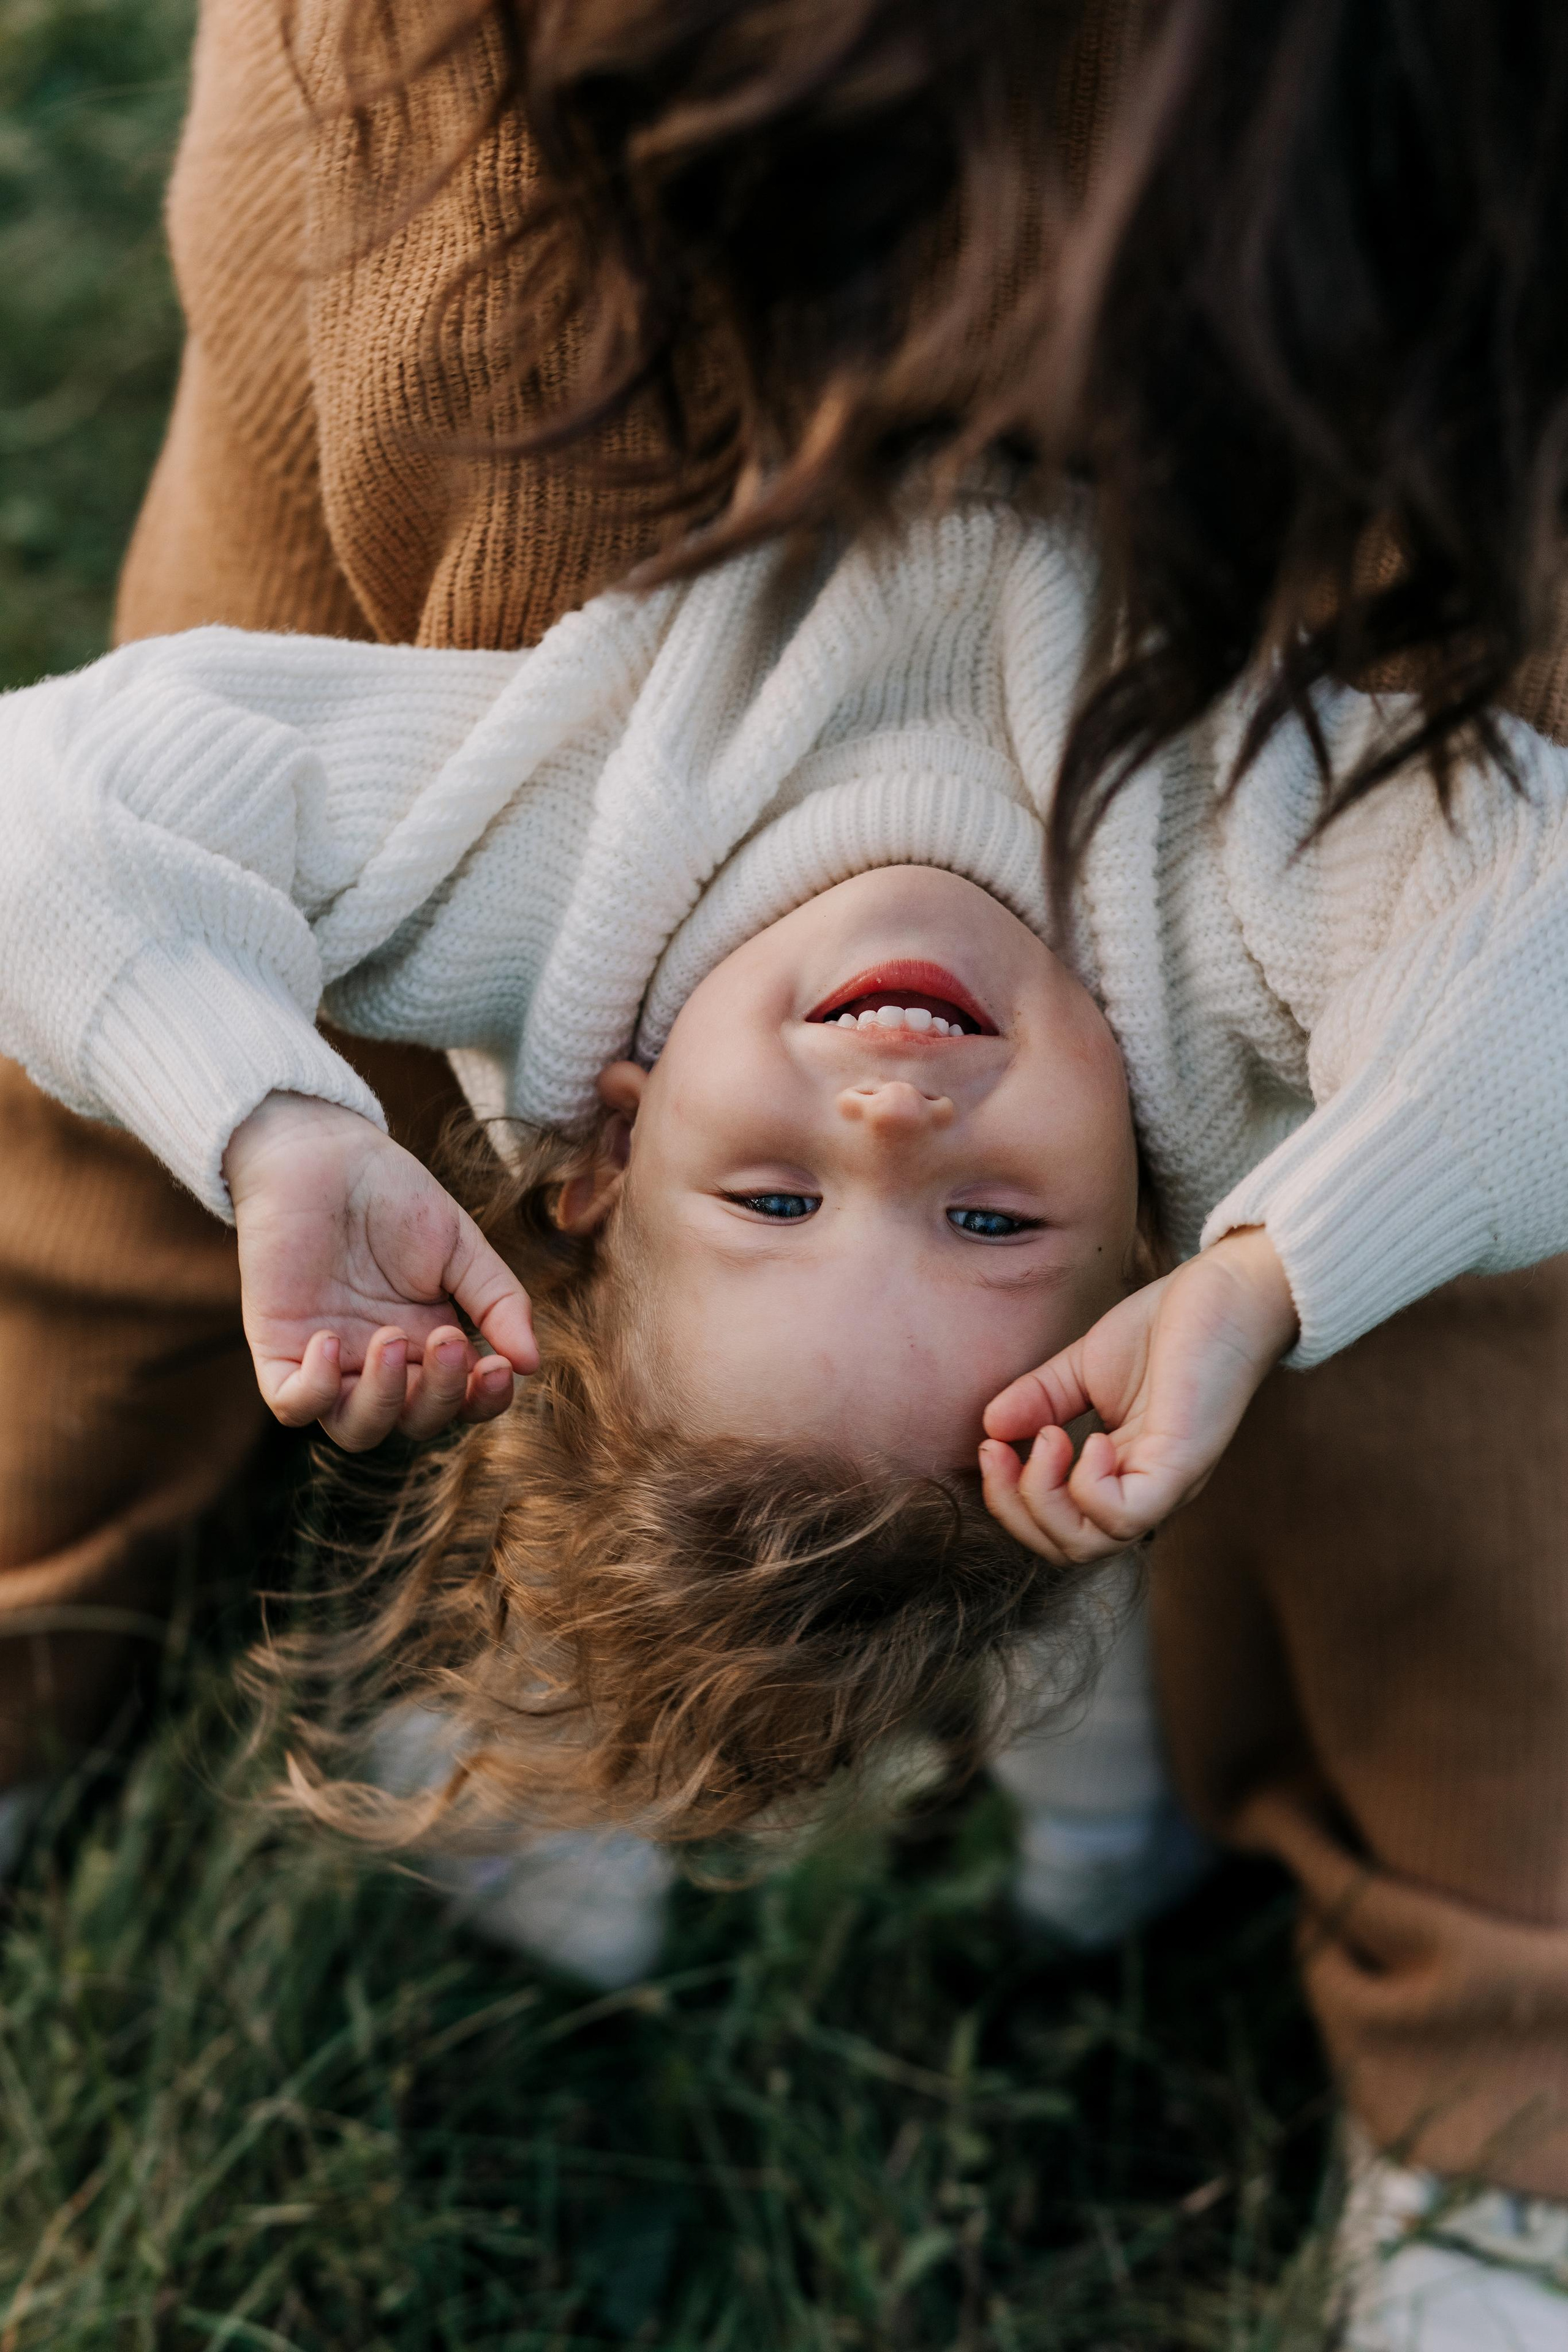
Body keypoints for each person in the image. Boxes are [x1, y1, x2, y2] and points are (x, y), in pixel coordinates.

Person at [5, 1, 1568, 2343]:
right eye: (991, 1225)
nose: (890, 1123)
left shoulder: (571, 879)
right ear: (1133, 1208)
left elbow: (66, 800)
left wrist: (274, 1106)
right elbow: (1540, 950)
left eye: (769, 1203)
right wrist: (1276, 1271)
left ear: (603, 1134)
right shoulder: (1214, 928)